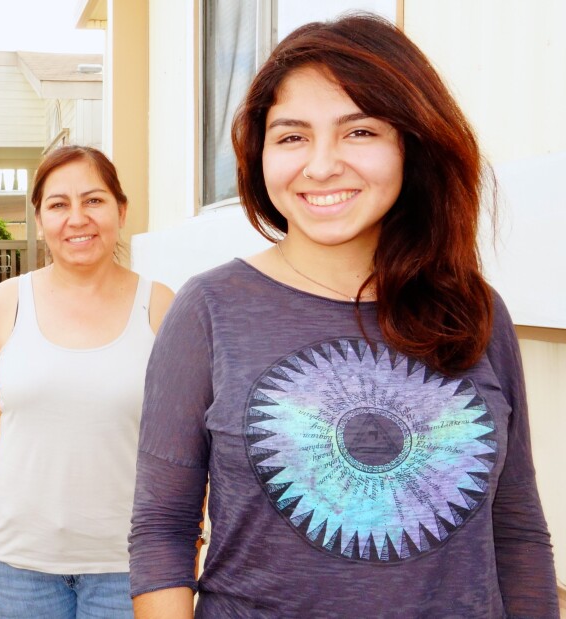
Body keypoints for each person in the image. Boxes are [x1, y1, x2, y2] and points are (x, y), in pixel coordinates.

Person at [129, 13, 559, 618]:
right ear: (259, 154)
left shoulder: (478, 311)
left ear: (412, 142)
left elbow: (516, 530)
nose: (322, 164)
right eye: (291, 136)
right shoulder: (208, 309)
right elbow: (162, 532)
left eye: (359, 132)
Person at [0, 145, 175, 618]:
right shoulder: (6, 303)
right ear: (39, 219)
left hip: (129, 566)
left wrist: (190, 540)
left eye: (93, 200)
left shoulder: (160, 306)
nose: (77, 219)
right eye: (58, 204)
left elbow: (189, 440)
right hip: (19, 566)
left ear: (121, 209)